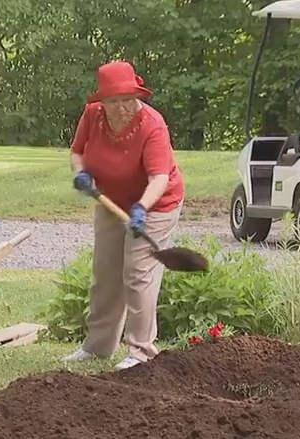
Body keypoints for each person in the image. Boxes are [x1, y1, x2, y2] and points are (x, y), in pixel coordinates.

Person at [62, 60, 185, 371]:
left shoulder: (152, 125)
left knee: (138, 274)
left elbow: (159, 178)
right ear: (102, 102)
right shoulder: (92, 116)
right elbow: (77, 151)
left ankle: (141, 351)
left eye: (128, 99)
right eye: (114, 101)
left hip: (155, 205)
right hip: (109, 200)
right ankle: (98, 346)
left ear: (137, 97)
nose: (121, 108)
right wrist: (81, 174)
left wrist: (141, 208)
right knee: (105, 273)